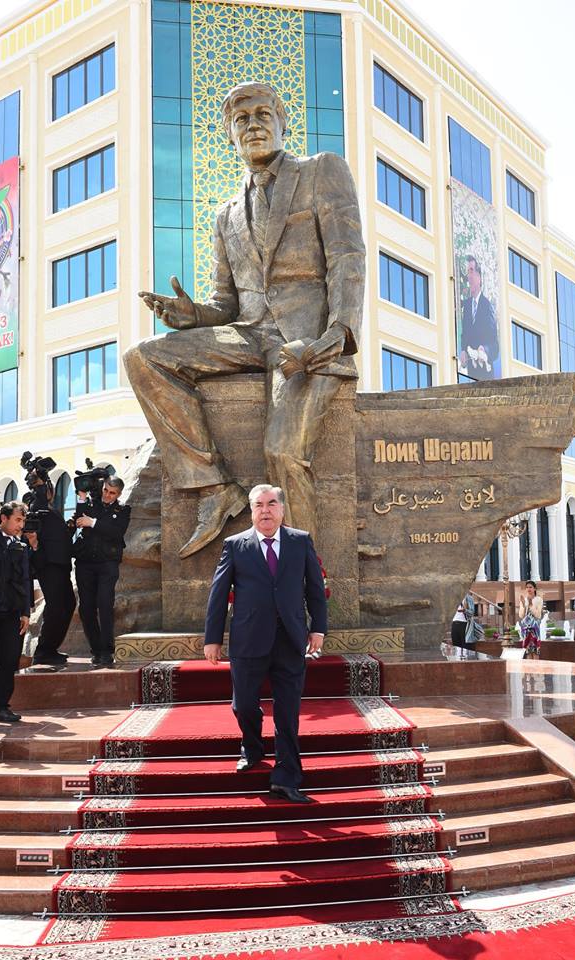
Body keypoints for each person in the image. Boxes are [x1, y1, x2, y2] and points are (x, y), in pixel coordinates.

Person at [125, 81, 365, 557]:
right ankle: (214, 487)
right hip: (249, 332)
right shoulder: (226, 214)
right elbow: (227, 303)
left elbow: (347, 256)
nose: (253, 125)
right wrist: (193, 315)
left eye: (262, 114)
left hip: (305, 336)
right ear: (230, 135)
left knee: (282, 451)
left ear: (282, 123)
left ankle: (304, 576)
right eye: (241, 119)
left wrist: (339, 331)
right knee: (143, 357)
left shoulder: (322, 170)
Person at [204, 483, 326, 804]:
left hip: (290, 640)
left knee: (287, 712)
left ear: (281, 509)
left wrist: (318, 628)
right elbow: (218, 594)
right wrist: (213, 638)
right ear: (251, 511)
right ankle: (252, 746)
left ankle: (286, 777)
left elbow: (315, 588)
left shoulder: (300, 541)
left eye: (271, 504)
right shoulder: (235, 545)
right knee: (243, 705)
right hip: (248, 640)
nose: (265, 510)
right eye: (259, 505)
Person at [73, 477, 130, 668]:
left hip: (107, 565)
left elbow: (116, 532)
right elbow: (79, 520)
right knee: (86, 608)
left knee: (105, 605)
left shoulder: (123, 510)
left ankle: (107, 651)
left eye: (112, 493)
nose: (107, 495)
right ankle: (96, 650)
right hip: (85, 563)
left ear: (118, 494)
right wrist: (82, 498)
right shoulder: (92, 504)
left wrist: (93, 523)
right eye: (105, 490)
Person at [25, 478, 75, 667]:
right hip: (48, 565)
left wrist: (69, 530)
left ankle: (50, 649)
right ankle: (43, 652)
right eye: (46, 487)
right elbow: (39, 500)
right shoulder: (39, 507)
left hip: (61, 565)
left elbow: (55, 538)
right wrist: (39, 481)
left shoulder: (52, 511)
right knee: (55, 607)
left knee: (68, 604)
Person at [0, 501, 31, 722]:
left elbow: (25, 580)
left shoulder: (21, 547)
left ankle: (1, 706)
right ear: (4, 518)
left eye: (23, 521)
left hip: (11, 613)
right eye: (18, 520)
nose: (21, 525)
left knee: (9, 660)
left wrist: (26, 613)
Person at [460, 255, 499, 378]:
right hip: (470, 375)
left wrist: (484, 349)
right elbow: (464, 336)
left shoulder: (487, 306)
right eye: (467, 272)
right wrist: (463, 351)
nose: (469, 276)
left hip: (486, 378)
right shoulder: (466, 306)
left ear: (480, 277)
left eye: (471, 271)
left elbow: (495, 346)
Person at [518, 580, 543, 659]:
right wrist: (523, 605)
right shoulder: (524, 600)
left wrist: (531, 605)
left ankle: (537, 667)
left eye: (530, 587)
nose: (529, 589)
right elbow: (521, 616)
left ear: (534, 589)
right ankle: (529, 667)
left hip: (535, 629)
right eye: (527, 587)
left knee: (535, 652)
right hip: (525, 629)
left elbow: (538, 615)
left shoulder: (539, 599)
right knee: (528, 653)